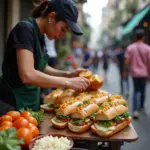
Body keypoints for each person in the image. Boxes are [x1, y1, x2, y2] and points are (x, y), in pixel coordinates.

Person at [0, 0, 90, 116]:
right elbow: (28, 74)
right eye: (63, 29)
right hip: (13, 104)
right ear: (51, 17)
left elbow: (42, 67)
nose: (62, 36)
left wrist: (67, 74)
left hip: (30, 106)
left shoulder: (41, 37)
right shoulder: (24, 30)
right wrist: (68, 82)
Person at [123, 29, 150, 119]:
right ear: (143, 37)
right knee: (143, 91)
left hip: (134, 74)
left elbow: (126, 61)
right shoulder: (147, 48)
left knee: (135, 91)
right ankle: (141, 107)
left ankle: (135, 110)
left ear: (136, 37)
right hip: (144, 73)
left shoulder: (130, 47)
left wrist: (124, 71)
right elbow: (149, 62)